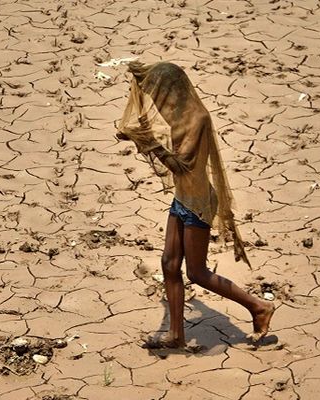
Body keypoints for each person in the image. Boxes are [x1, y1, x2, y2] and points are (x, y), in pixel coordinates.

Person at [117, 61, 274, 348]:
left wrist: (146, 141)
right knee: (168, 263)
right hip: (182, 199)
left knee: (197, 272)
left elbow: (181, 166)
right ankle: (176, 335)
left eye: (159, 92)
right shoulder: (178, 115)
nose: (157, 100)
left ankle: (258, 307)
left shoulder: (196, 119)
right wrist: (142, 135)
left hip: (198, 203)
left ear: (172, 89)